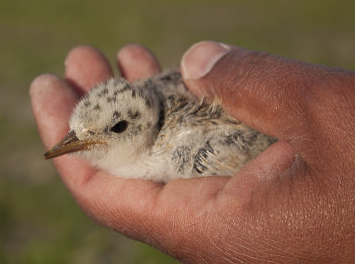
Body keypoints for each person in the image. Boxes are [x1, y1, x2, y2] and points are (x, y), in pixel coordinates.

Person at [30, 41, 355, 262]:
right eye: (76, 129)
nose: (75, 142)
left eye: (116, 129)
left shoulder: (186, 150)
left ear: (141, 128)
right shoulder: (143, 100)